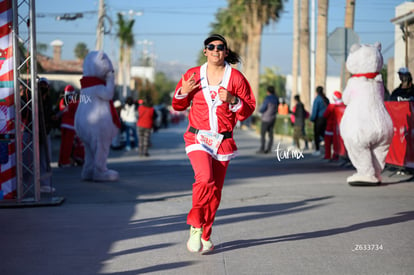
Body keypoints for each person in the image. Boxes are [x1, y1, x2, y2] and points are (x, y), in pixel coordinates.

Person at [172, 34, 255, 253]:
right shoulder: (192, 75)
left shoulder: (235, 78)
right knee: (205, 178)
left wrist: (233, 100)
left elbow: (248, 109)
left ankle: (206, 233)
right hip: (197, 138)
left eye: (220, 47)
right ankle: (196, 226)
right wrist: (184, 92)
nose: (216, 50)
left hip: (222, 141)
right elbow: (177, 105)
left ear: (226, 52)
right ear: (205, 51)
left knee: (215, 192)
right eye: (211, 47)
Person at [58, 85, 79, 167]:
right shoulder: (74, 102)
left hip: (63, 124)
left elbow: (62, 110)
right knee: (68, 145)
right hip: (71, 125)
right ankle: (65, 161)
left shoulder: (62, 101)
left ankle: (61, 160)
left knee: (63, 144)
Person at [323, 91, 346, 161]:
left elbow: (325, 115)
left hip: (330, 127)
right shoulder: (344, 106)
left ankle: (328, 156)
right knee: (338, 142)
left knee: (328, 142)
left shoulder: (331, 106)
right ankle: (336, 155)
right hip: (340, 127)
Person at [257, 86, 279, 154]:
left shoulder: (267, 98)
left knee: (263, 134)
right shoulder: (276, 99)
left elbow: (263, 108)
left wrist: (259, 111)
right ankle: (269, 149)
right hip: (273, 118)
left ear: (268, 91)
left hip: (266, 118)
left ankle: (262, 148)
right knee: (271, 134)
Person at [310, 86, 329, 156]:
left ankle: (318, 150)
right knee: (325, 134)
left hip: (319, 119)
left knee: (317, 135)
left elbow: (315, 110)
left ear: (316, 91)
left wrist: (312, 119)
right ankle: (327, 150)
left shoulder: (317, 99)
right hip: (326, 119)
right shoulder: (326, 99)